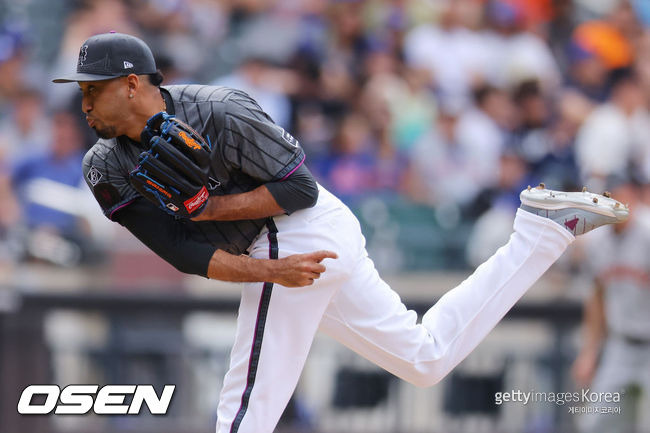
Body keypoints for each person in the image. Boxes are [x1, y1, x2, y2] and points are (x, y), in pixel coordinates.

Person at [53, 33, 629, 433]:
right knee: (425, 359)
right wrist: (263, 270)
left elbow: (299, 191)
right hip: (279, 249)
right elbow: (179, 252)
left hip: (301, 227)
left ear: (132, 84)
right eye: (80, 89)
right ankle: (541, 233)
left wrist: (211, 215)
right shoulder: (104, 166)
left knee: (247, 399)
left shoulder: (220, 110)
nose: (82, 100)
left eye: (93, 87)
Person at [572, 178, 650, 433]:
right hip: (621, 346)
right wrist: (589, 353)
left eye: (625, 199)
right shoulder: (597, 242)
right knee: (594, 423)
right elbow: (596, 300)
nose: (620, 205)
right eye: (614, 199)